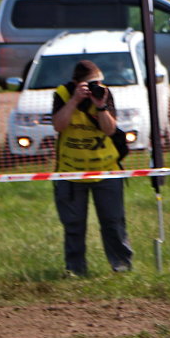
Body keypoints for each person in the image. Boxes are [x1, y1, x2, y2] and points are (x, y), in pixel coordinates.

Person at [52, 60, 133, 276]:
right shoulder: (62, 94)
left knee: (113, 223)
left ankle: (122, 267)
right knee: (74, 226)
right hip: (71, 173)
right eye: (91, 84)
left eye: (99, 82)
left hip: (106, 171)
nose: (97, 86)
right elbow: (59, 125)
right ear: (76, 83)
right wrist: (75, 100)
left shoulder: (104, 95)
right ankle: (75, 270)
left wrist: (101, 106)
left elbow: (109, 129)